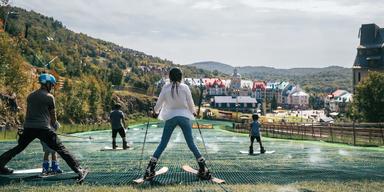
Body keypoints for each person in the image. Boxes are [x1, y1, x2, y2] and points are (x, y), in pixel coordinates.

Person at [0, 73, 88, 182]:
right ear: (47, 84)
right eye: (51, 85)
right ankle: (79, 169)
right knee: (61, 149)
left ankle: (0, 165)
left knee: (18, 148)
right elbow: (53, 116)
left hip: (28, 127)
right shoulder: (49, 97)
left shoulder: (30, 96)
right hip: (43, 128)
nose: (52, 87)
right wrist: (55, 125)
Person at [143, 67, 211, 180]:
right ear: (180, 77)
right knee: (191, 144)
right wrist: (194, 113)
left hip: (170, 117)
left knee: (163, 144)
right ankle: (203, 167)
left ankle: (150, 168)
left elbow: (159, 104)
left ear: (169, 77)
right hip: (184, 117)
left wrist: (153, 112)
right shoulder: (185, 87)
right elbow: (190, 103)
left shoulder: (165, 88)